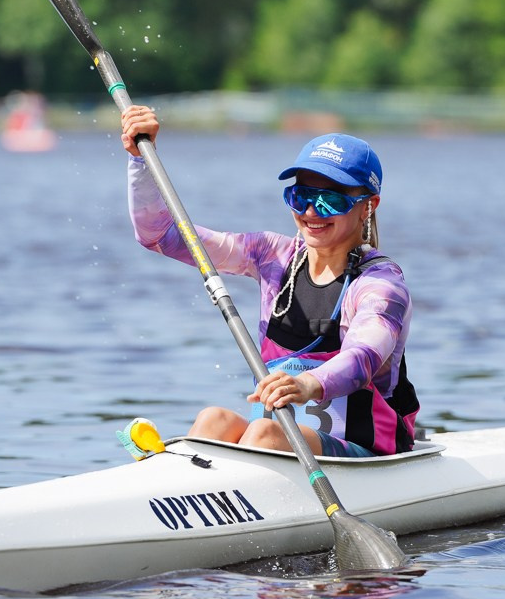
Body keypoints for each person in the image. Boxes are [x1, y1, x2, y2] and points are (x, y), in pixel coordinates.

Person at [120, 106, 419, 458]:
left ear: (368, 206)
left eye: (330, 201)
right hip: (282, 442)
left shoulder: (380, 285)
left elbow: (363, 358)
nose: (311, 212)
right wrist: (141, 160)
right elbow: (160, 235)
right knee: (213, 419)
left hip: (369, 451)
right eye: (301, 196)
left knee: (264, 433)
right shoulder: (272, 256)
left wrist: (308, 383)